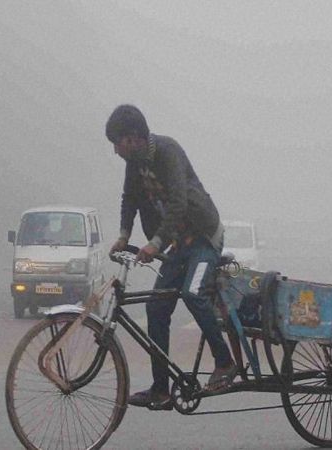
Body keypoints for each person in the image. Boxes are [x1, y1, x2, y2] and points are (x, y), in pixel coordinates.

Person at [106, 104, 237, 410]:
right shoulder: (134, 164)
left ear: (134, 138)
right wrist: (124, 235)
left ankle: (225, 362)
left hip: (204, 238)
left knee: (193, 294)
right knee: (156, 308)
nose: (115, 150)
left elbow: (179, 203)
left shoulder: (168, 152)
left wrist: (155, 243)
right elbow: (129, 200)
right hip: (179, 245)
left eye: (117, 142)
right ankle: (161, 389)